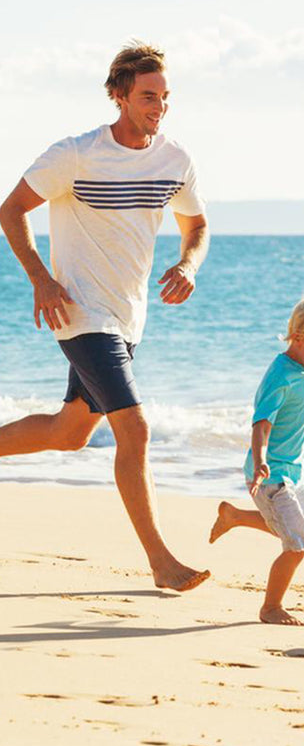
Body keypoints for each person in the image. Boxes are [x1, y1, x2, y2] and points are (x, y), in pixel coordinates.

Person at [0, 42, 210, 592]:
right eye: (147, 96)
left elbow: (197, 225)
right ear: (119, 94)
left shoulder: (175, 160)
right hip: (79, 312)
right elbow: (11, 210)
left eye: (164, 98)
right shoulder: (75, 153)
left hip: (127, 317)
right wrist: (41, 279)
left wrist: (189, 264)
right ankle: (161, 562)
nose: (158, 107)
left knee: (69, 433)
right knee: (134, 429)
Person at [209, 284, 304, 625]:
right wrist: (260, 463)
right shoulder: (280, 376)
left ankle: (236, 517)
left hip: (294, 473)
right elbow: (261, 423)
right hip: (271, 475)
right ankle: (271, 606)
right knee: (297, 543)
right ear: (299, 336)